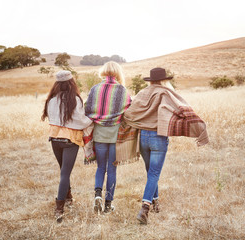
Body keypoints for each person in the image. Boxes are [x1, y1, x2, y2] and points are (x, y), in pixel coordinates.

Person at [123, 67, 209, 224]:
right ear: (164, 80)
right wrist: (198, 125)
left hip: (143, 137)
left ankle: (155, 202)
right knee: (154, 173)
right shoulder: (165, 93)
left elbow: (130, 113)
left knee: (150, 172)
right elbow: (182, 109)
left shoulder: (142, 93)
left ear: (150, 80)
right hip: (159, 137)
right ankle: (145, 208)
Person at [41, 70, 92, 223]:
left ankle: (68, 198)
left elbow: (53, 118)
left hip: (55, 138)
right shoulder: (74, 99)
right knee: (65, 173)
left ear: (57, 84)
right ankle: (59, 208)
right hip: (70, 140)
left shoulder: (51, 99)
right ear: (71, 82)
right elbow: (81, 121)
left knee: (63, 170)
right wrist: (92, 119)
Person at [85, 61, 131, 214]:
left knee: (100, 168)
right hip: (115, 136)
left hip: (99, 134)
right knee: (112, 170)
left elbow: (87, 109)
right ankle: (108, 205)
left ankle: (98, 194)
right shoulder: (122, 91)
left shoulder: (95, 89)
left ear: (103, 72)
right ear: (118, 73)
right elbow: (129, 111)